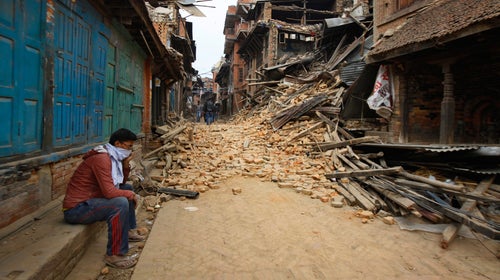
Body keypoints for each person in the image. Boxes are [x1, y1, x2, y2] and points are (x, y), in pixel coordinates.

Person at [62, 128, 145, 269]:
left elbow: (121, 184)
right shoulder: (102, 158)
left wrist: (125, 166)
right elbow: (109, 192)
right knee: (120, 203)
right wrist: (132, 196)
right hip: (76, 209)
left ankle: (129, 231)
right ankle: (114, 255)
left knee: (127, 189)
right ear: (118, 143)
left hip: (92, 200)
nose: (130, 150)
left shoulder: (113, 157)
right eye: (129, 146)